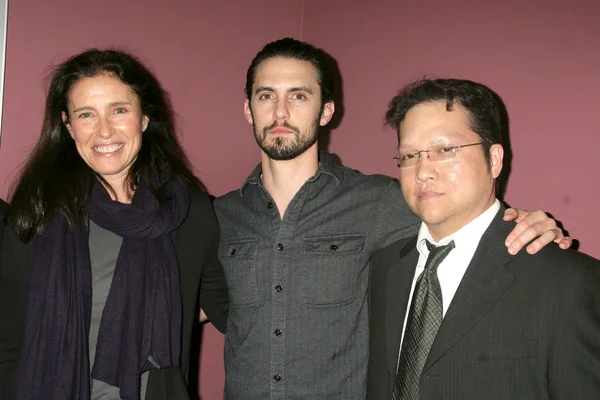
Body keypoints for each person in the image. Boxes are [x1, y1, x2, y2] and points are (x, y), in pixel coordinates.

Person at [214, 38, 571, 399]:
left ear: (325, 111)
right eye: (266, 96)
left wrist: (524, 223)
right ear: (248, 109)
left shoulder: (381, 200)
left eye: (298, 96)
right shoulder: (219, 215)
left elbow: (462, 218)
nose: (280, 112)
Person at [0, 49, 228, 400]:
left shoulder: (190, 214)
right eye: (86, 114)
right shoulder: (38, 213)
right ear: (68, 125)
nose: (104, 131)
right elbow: (9, 342)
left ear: (144, 118)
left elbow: (230, 306)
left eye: (119, 110)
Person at [367, 78, 600, 399]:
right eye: (409, 156)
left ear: (494, 159)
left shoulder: (569, 281)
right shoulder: (382, 267)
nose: (422, 171)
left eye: (445, 149)